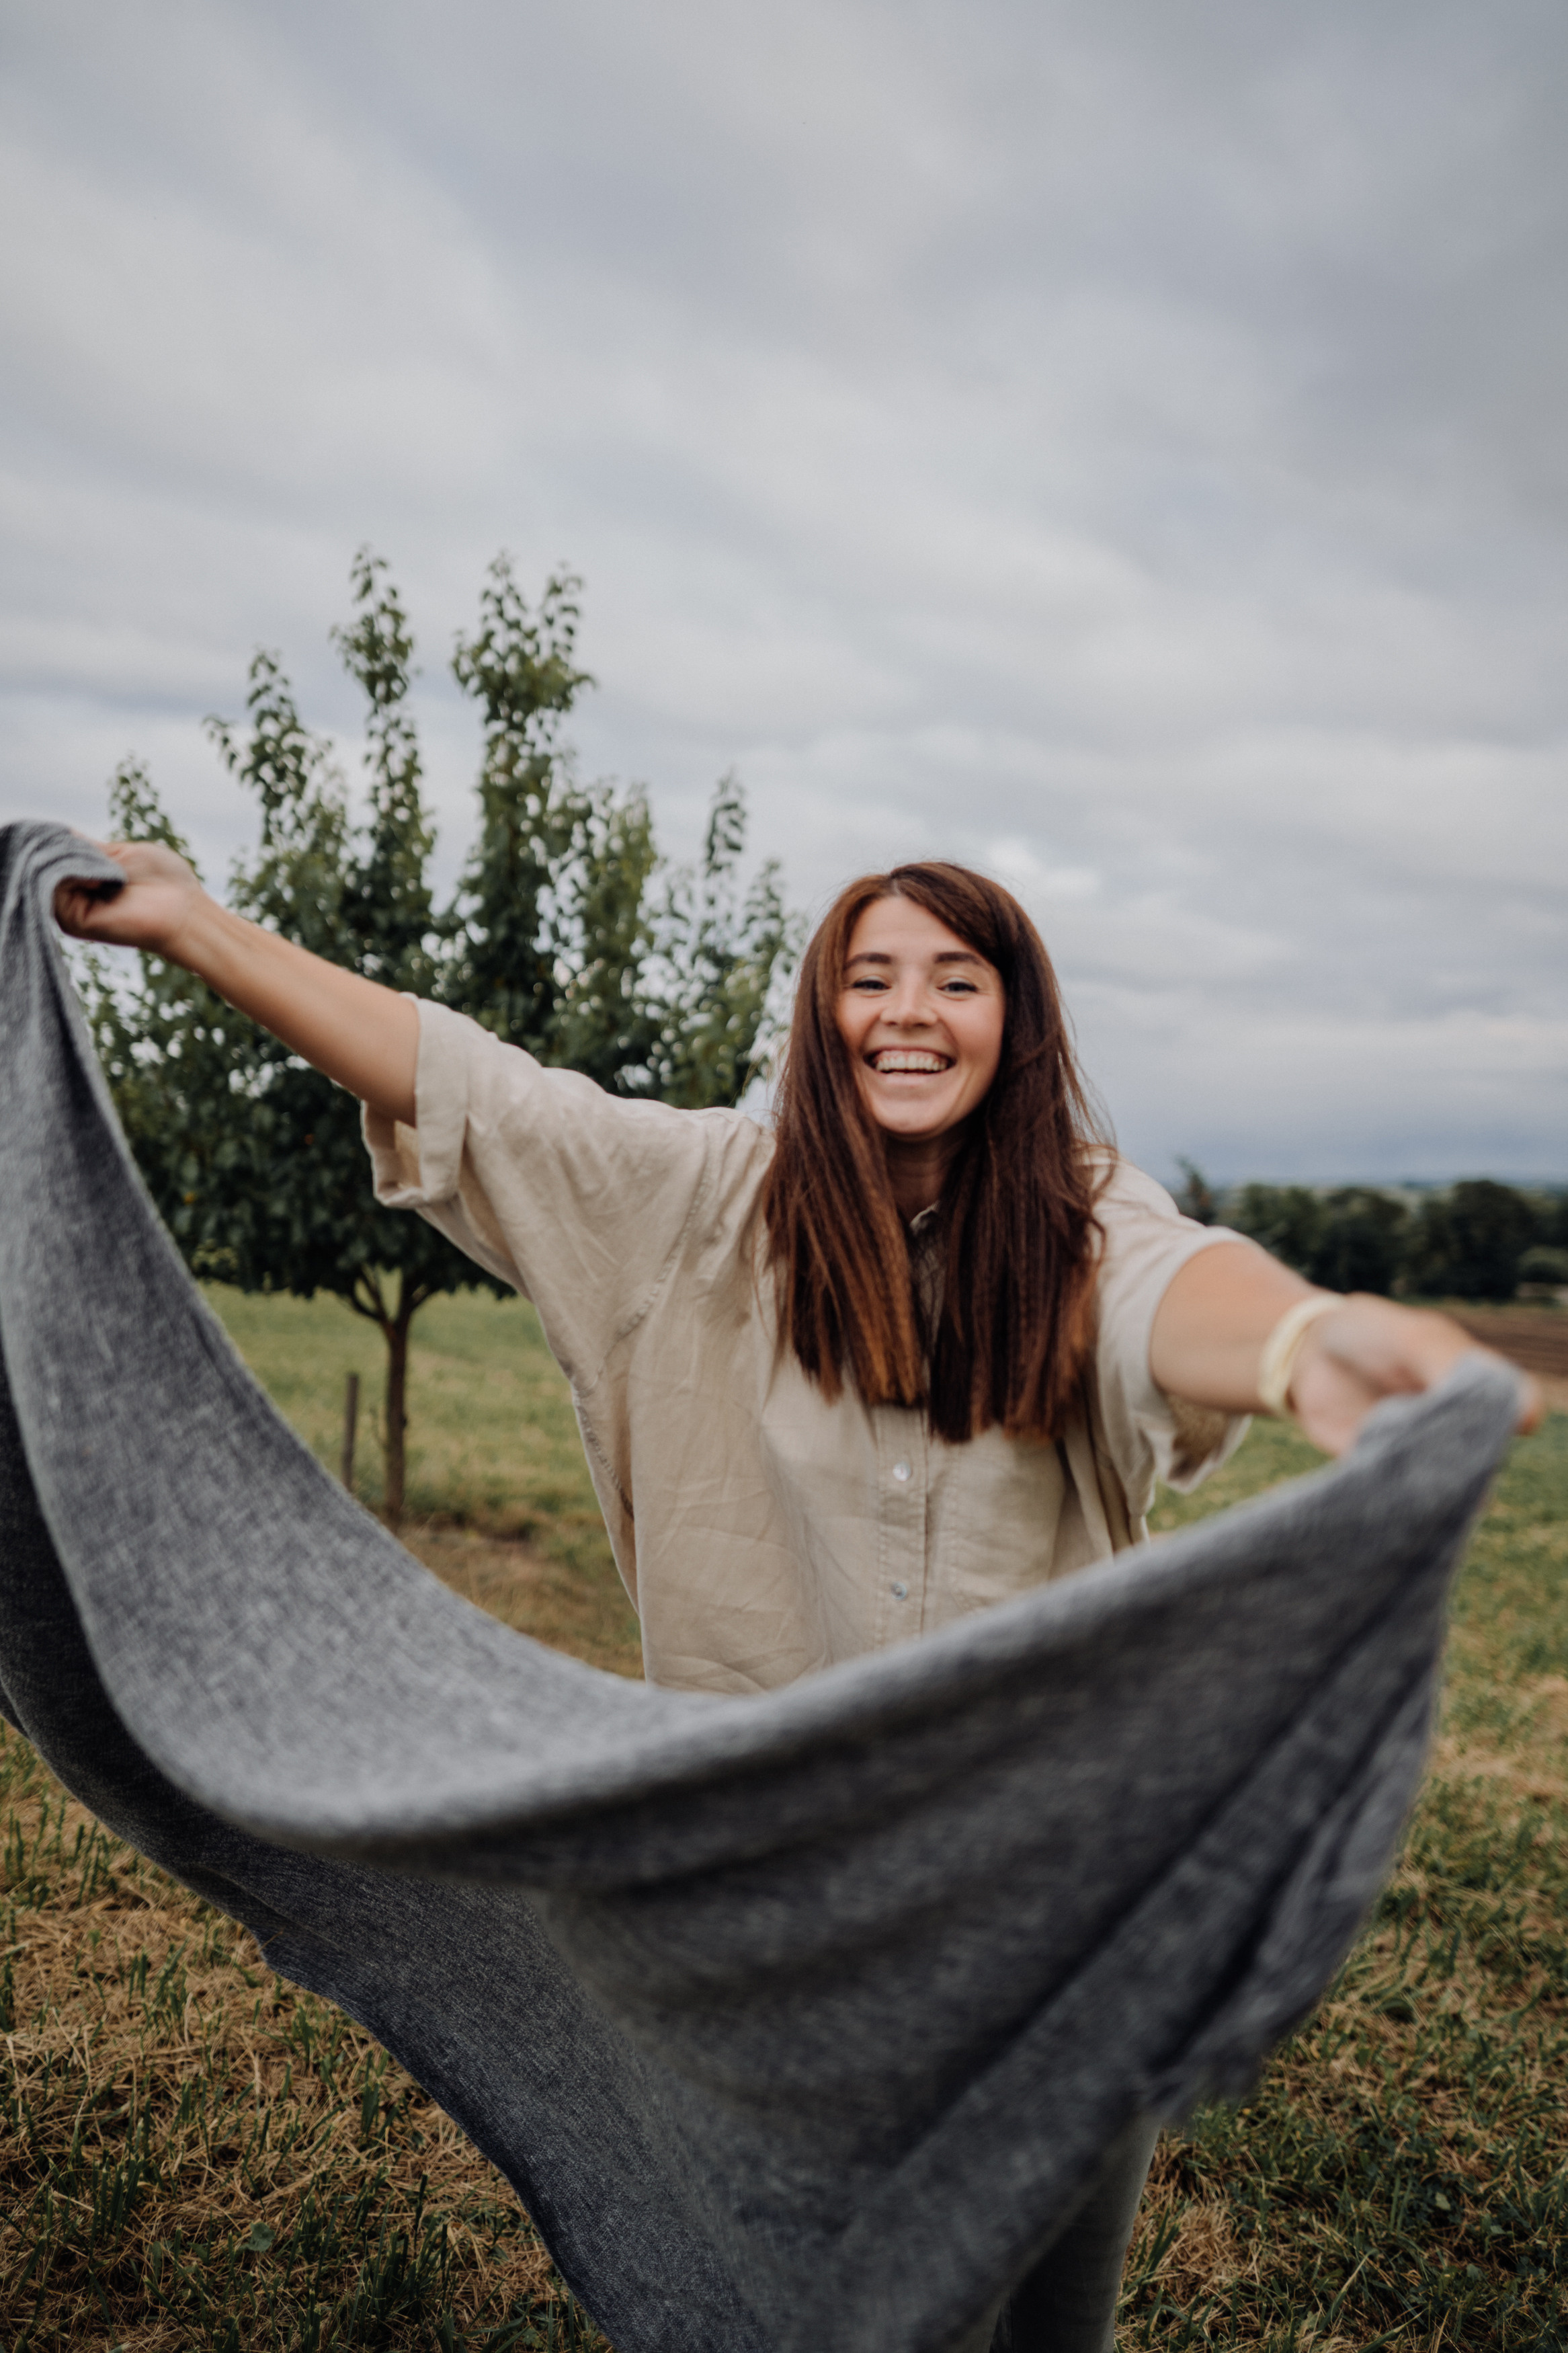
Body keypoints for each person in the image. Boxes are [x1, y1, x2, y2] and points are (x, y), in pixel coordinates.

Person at [54, 844, 1537, 2353]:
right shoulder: (700, 1202)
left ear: (1016, 1024)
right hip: (769, 1883)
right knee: (789, 2294)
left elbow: (1170, 1289)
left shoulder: (1079, 1220)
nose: (910, 1011)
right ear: (818, 1014)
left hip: (1035, 1886)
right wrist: (199, 930)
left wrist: (1303, 1344)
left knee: (1031, 2296)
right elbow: (478, 1089)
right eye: (869, 975)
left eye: (958, 979)